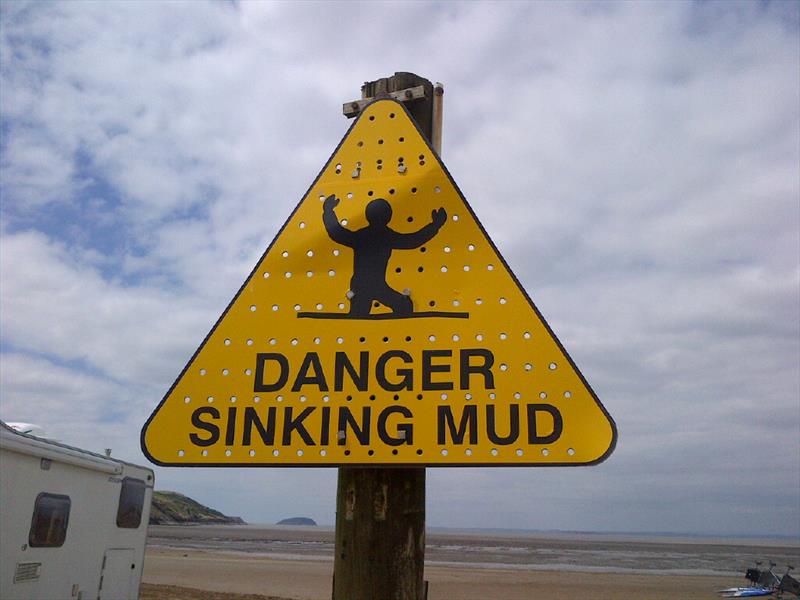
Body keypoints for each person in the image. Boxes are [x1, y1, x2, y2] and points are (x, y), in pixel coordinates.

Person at [322, 194, 447, 316]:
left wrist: (328, 211)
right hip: (371, 285)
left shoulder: (362, 235)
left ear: (367, 215)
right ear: (389, 217)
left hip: (365, 285)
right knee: (404, 306)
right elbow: (413, 240)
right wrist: (435, 225)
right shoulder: (387, 236)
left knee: (360, 316)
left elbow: (338, 233)